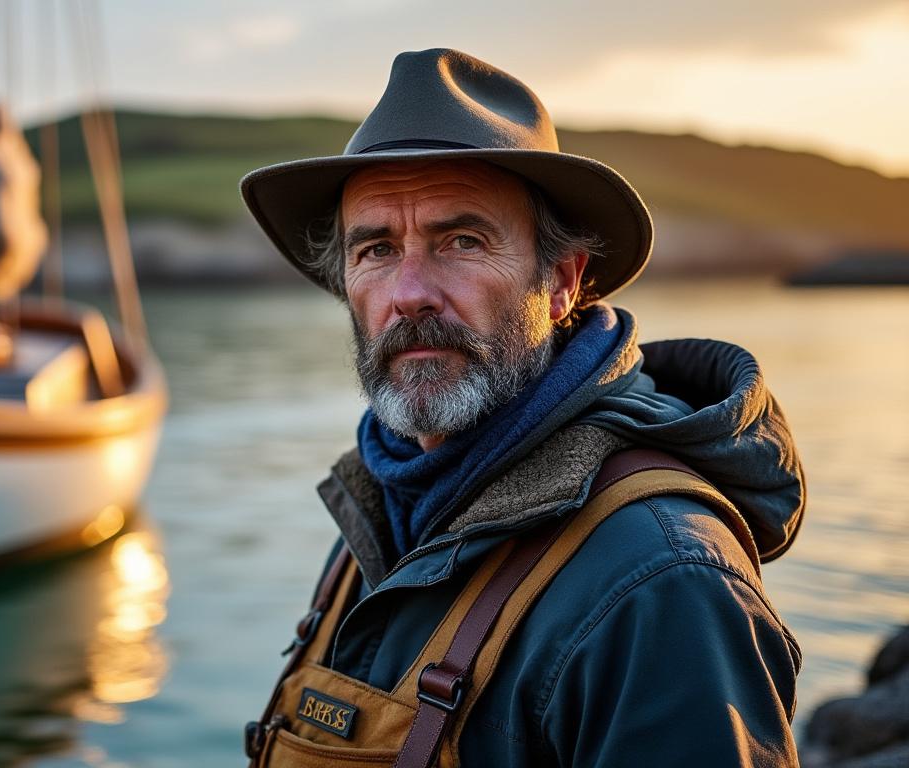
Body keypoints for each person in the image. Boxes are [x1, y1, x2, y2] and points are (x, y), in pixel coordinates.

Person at [239, 49, 804, 766]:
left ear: (563, 283)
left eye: (462, 241)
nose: (408, 292)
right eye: (376, 249)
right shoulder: (383, 504)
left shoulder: (663, 583)